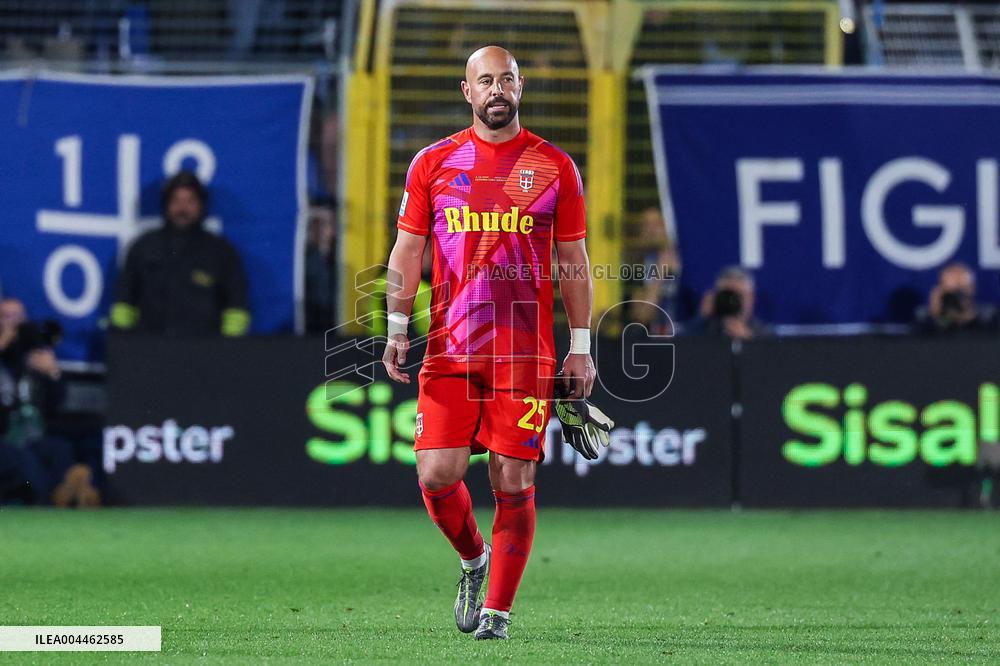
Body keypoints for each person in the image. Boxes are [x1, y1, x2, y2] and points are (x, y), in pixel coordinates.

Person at [381, 46, 595, 640]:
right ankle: (474, 559)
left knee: (513, 480)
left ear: (520, 87)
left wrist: (581, 345)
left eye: (506, 79)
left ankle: (497, 612)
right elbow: (409, 249)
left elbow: (574, 260)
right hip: (450, 348)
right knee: (436, 473)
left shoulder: (555, 166)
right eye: (485, 81)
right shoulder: (432, 162)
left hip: (525, 354)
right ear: (467, 90)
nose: (496, 90)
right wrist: (397, 325)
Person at [110, 171, 251, 337]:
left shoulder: (222, 252)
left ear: (202, 205)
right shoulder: (143, 248)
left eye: (190, 201)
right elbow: (124, 303)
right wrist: (124, 341)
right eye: (176, 200)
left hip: (204, 349)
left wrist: (228, 348)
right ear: (166, 205)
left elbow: (237, 308)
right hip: (149, 347)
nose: (182, 208)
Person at [0, 298, 98, 506]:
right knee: (25, 460)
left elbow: (57, 403)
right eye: (6, 317)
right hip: (5, 434)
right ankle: (46, 503)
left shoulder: (32, 354)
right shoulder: (5, 359)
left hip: (33, 434)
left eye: (18, 316)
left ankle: (70, 493)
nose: (14, 323)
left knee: (60, 448)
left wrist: (52, 372)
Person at [915, 263, 997, 334]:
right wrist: (935, 313)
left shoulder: (988, 316)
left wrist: (968, 318)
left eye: (961, 290)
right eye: (951, 293)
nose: (956, 298)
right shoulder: (924, 318)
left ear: (972, 289)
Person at [694, 266, 770, 340]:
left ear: (751, 298)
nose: (732, 300)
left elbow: (769, 347)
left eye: (738, 295)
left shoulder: (764, 334)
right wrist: (703, 317)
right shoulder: (700, 328)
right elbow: (688, 339)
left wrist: (749, 340)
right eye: (727, 294)